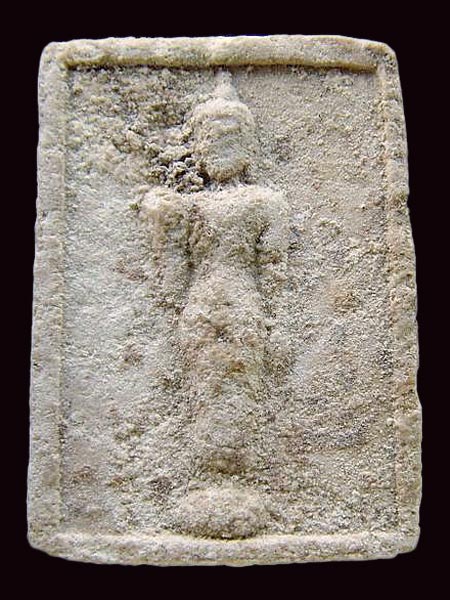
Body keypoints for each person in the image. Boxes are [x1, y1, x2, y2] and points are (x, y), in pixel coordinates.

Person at [140, 72, 289, 539]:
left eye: (231, 137)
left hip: (243, 306)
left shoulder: (266, 202)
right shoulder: (188, 206)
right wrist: (162, 223)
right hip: (202, 308)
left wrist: (278, 324)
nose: (221, 146)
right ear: (197, 147)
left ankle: (240, 483)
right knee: (204, 389)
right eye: (211, 137)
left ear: (250, 146)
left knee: (241, 389)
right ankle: (206, 481)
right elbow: (171, 278)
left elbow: (275, 270)